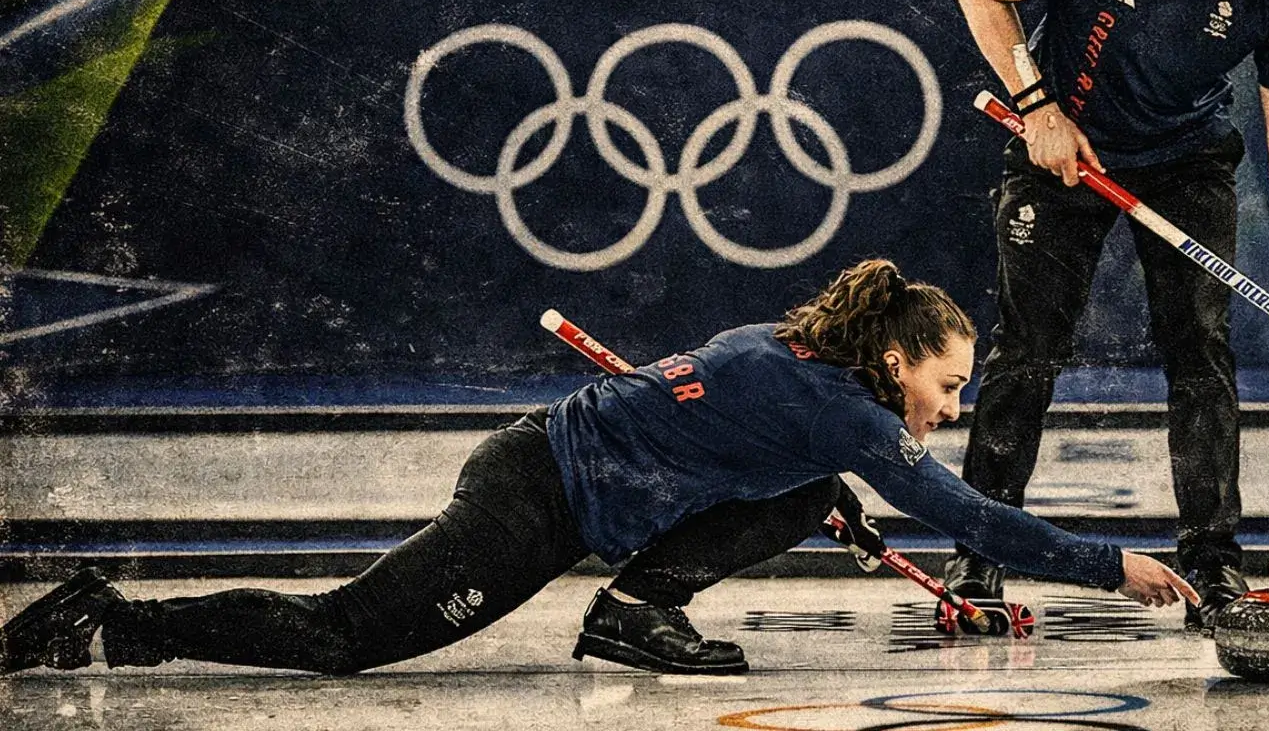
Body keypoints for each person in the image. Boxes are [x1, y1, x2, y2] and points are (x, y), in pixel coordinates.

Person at [1, 258, 1196, 678]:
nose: (952, 405)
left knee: (813, 493)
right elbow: (960, 506)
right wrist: (1114, 561)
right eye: (947, 384)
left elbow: (772, 457)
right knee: (344, 635)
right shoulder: (843, 411)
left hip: (571, 477)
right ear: (892, 360)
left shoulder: (799, 360)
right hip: (534, 497)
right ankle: (114, 619)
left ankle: (635, 608)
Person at [947, 0, 1269, 633]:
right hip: (1063, 148)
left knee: (1200, 349)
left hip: (1186, 160)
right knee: (1028, 347)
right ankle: (979, 547)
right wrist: (1036, 107)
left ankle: (1214, 562)